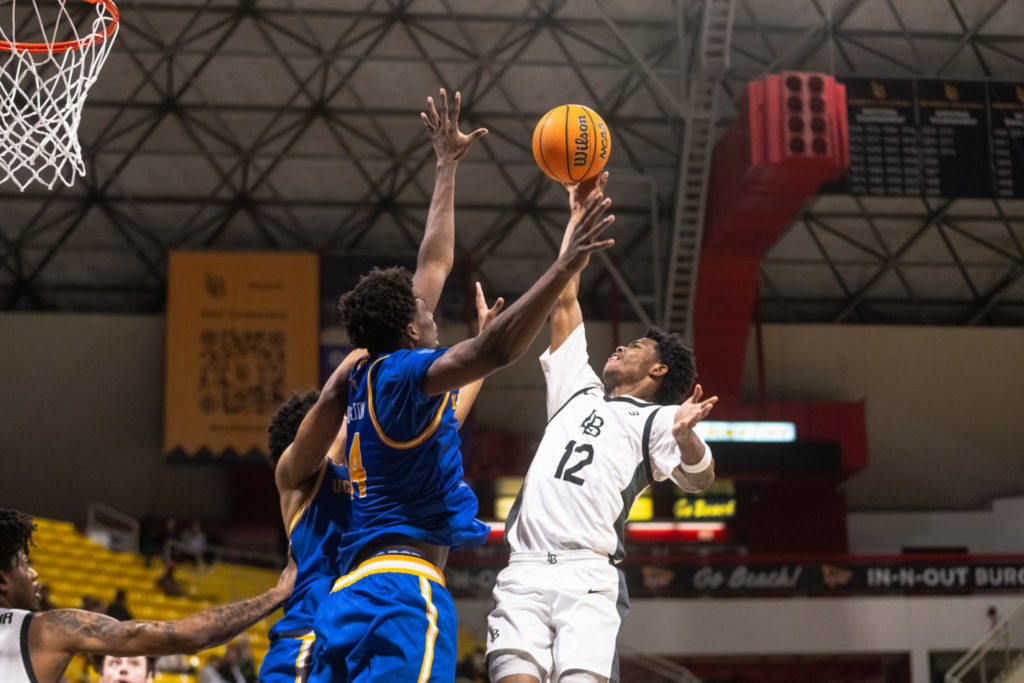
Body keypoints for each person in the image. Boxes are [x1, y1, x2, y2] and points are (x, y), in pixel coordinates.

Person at [310, 152, 615, 679]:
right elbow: (494, 351)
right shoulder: (405, 372)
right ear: (408, 333)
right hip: (401, 592)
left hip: (350, 594)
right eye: (424, 314)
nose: (432, 314)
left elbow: (433, 265)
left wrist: (446, 165)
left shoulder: (370, 380)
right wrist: (565, 265)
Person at [258, 86, 490, 683]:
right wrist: (354, 366)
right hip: (322, 628)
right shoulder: (314, 467)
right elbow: (429, 279)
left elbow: (432, 272)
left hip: (339, 620)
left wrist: (446, 169)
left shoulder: (366, 457)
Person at [484, 173, 718, 683]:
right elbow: (564, 298)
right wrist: (576, 216)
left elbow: (701, 480)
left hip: (588, 575)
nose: (620, 347)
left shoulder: (659, 420)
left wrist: (688, 441)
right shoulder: (577, 387)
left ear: (658, 371)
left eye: (635, 346)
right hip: (522, 568)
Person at [0, 508, 296, 683]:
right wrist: (276, 594)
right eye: (24, 565)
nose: (34, 574)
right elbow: (189, 635)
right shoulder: (47, 631)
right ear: (3, 580)